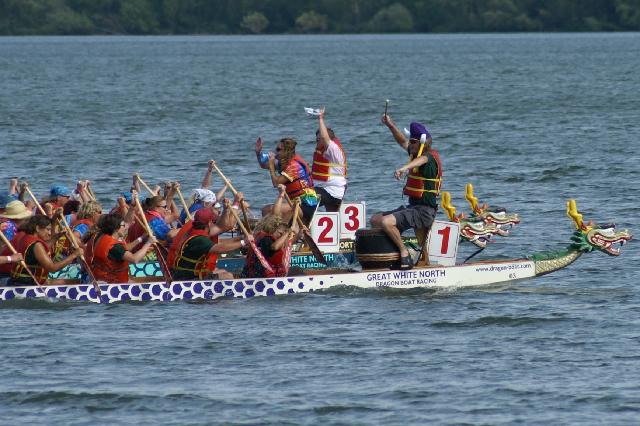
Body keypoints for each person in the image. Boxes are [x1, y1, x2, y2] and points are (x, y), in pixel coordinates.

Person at [370, 117, 443, 270]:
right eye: (410, 141)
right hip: (413, 208)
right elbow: (402, 141)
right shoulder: (415, 151)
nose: (409, 144)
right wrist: (390, 125)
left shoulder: (430, 156)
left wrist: (403, 168)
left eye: (413, 142)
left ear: (422, 143)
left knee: (386, 222)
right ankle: (391, 257)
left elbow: (422, 160)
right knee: (375, 220)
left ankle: (405, 254)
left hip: (424, 211)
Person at [170, 205, 248, 280]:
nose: (215, 224)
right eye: (214, 222)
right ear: (210, 223)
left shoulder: (193, 231)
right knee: (228, 276)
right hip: (187, 279)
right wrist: (244, 242)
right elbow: (220, 248)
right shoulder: (199, 239)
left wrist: (240, 238)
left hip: (184, 273)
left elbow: (219, 242)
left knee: (222, 271)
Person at [255, 137, 319, 223]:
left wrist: (271, 166)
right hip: (295, 202)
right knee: (266, 210)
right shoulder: (284, 162)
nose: (275, 152)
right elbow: (263, 165)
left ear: (286, 151)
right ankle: (273, 230)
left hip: (305, 205)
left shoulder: (294, 166)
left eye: (278, 150)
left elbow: (275, 183)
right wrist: (258, 153)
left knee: (270, 211)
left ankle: (277, 230)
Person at [7, 215, 83, 285]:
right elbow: (52, 268)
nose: (49, 233)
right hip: (27, 284)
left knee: (70, 281)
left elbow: (43, 248)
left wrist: (56, 237)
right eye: (48, 229)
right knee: (73, 282)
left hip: (19, 281)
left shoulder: (26, 238)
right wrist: (74, 255)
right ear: (37, 228)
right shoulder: (36, 245)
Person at [85, 213, 156, 283]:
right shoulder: (115, 247)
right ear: (116, 228)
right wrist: (148, 243)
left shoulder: (100, 236)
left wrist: (142, 238)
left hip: (100, 279)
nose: (125, 228)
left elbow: (124, 249)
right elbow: (134, 259)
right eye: (123, 225)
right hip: (113, 283)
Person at [241, 209, 299, 278]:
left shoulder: (273, 239)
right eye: (280, 233)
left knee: (298, 270)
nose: (281, 236)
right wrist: (287, 232)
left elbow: (289, 242)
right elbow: (275, 247)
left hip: (271, 275)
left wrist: (300, 233)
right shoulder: (265, 239)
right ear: (272, 230)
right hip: (258, 277)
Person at [311, 108, 348, 211]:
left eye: (318, 140)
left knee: (303, 199)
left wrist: (320, 118)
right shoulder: (326, 150)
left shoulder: (333, 148)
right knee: (332, 215)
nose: (317, 142)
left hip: (330, 191)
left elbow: (324, 138)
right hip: (326, 189)